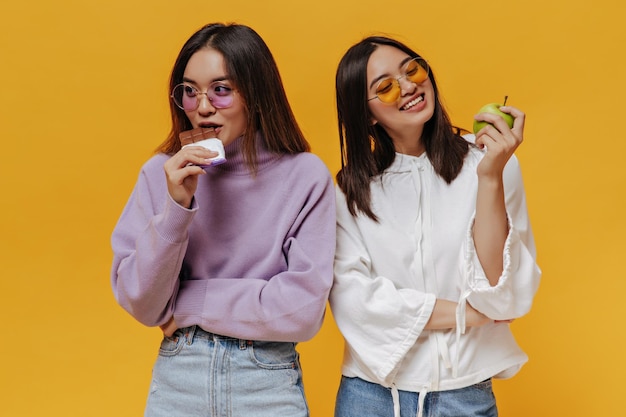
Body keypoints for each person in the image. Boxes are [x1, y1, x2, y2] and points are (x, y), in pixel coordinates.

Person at [110, 23, 336, 417]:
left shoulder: (305, 176)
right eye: (190, 90)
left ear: (256, 94)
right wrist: (177, 208)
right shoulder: (160, 173)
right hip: (180, 374)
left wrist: (187, 303)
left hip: (267, 379)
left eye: (221, 89)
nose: (203, 106)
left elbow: (301, 312)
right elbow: (143, 304)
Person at [329, 36, 541, 417]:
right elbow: (356, 301)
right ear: (368, 116)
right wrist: (472, 315)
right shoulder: (350, 189)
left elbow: (501, 290)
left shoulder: (492, 160)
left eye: (413, 69)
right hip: (370, 397)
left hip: (464, 395)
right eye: (386, 86)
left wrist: (490, 176)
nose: (409, 86)